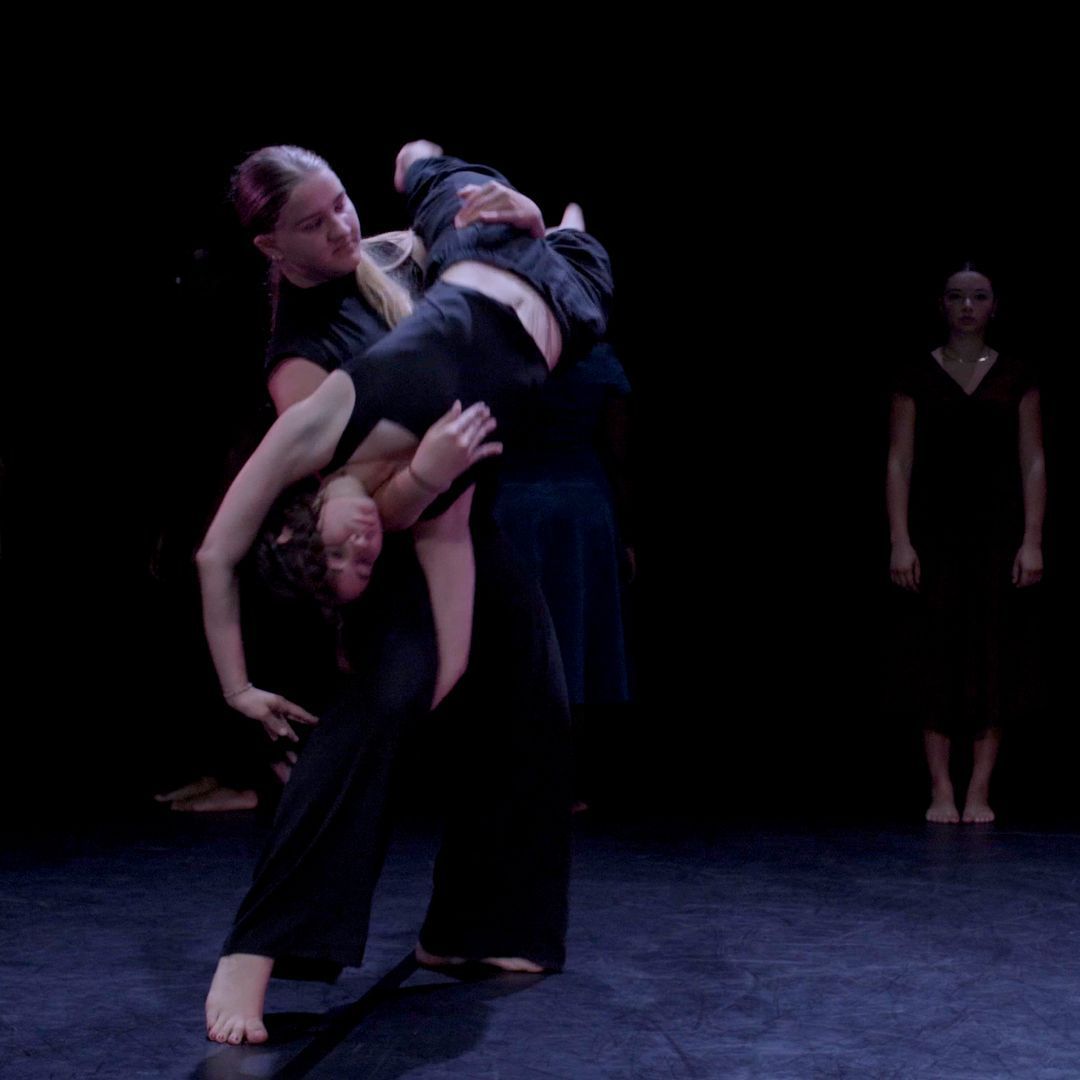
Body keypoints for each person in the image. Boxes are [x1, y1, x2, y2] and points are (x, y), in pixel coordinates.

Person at [199, 140, 612, 1044]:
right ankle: (257, 948)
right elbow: (364, 501)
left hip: (459, 509)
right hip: (380, 544)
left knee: (532, 706)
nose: (339, 227)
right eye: (313, 224)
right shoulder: (300, 360)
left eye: (340, 204)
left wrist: (523, 214)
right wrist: (426, 479)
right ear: (271, 247)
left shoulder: (388, 255)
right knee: (381, 708)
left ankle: (478, 930)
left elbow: (498, 265)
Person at [886, 262, 1045, 824]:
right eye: (957, 297)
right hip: (934, 535)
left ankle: (979, 789)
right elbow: (899, 461)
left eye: (978, 297)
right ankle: (940, 788)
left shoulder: (1016, 375)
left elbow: (1032, 460)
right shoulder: (916, 375)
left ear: (995, 306)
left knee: (992, 656)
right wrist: (900, 539)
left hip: (996, 536)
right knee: (935, 656)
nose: (968, 307)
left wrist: (1032, 539)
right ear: (942, 305)